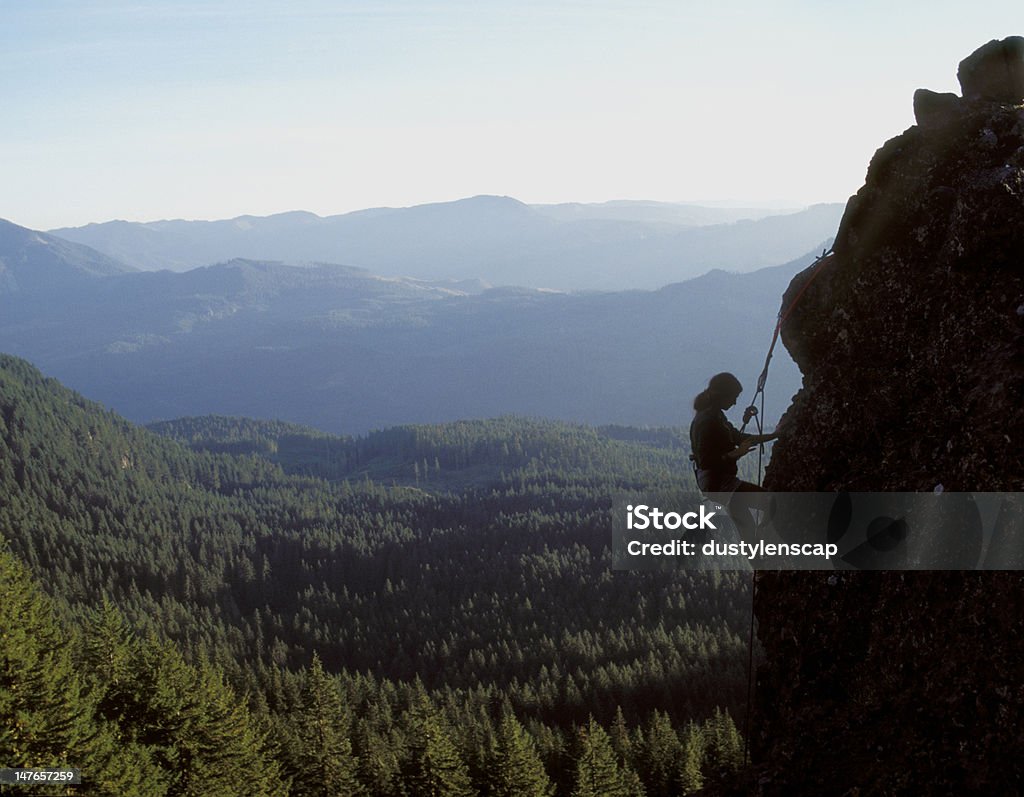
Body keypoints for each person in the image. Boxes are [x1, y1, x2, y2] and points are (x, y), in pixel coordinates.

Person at [689, 372, 778, 540]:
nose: (735, 401)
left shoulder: (715, 415)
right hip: (720, 484)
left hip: (717, 483)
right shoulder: (707, 421)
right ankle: (765, 546)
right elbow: (706, 460)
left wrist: (774, 435)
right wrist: (734, 454)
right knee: (768, 501)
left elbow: (738, 437)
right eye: (734, 397)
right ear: (722, 395)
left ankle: (762, 551)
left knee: (750, 527)